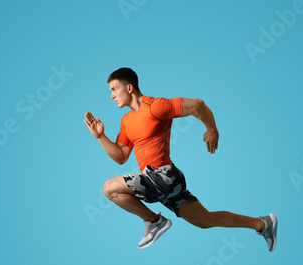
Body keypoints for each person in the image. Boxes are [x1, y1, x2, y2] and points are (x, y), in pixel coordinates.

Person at [84, 67, 277, 251]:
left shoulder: (155, 106)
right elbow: (121, 157)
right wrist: (100, 137)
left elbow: (197, 105)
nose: (112, 95)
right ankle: (262, 224)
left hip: (164, 176)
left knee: (110, 188)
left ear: (129, 87)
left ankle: (155, 222)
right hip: (156, 182)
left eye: (114, 89)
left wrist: (211, 129)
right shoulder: (126, 121)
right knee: (204, 220)